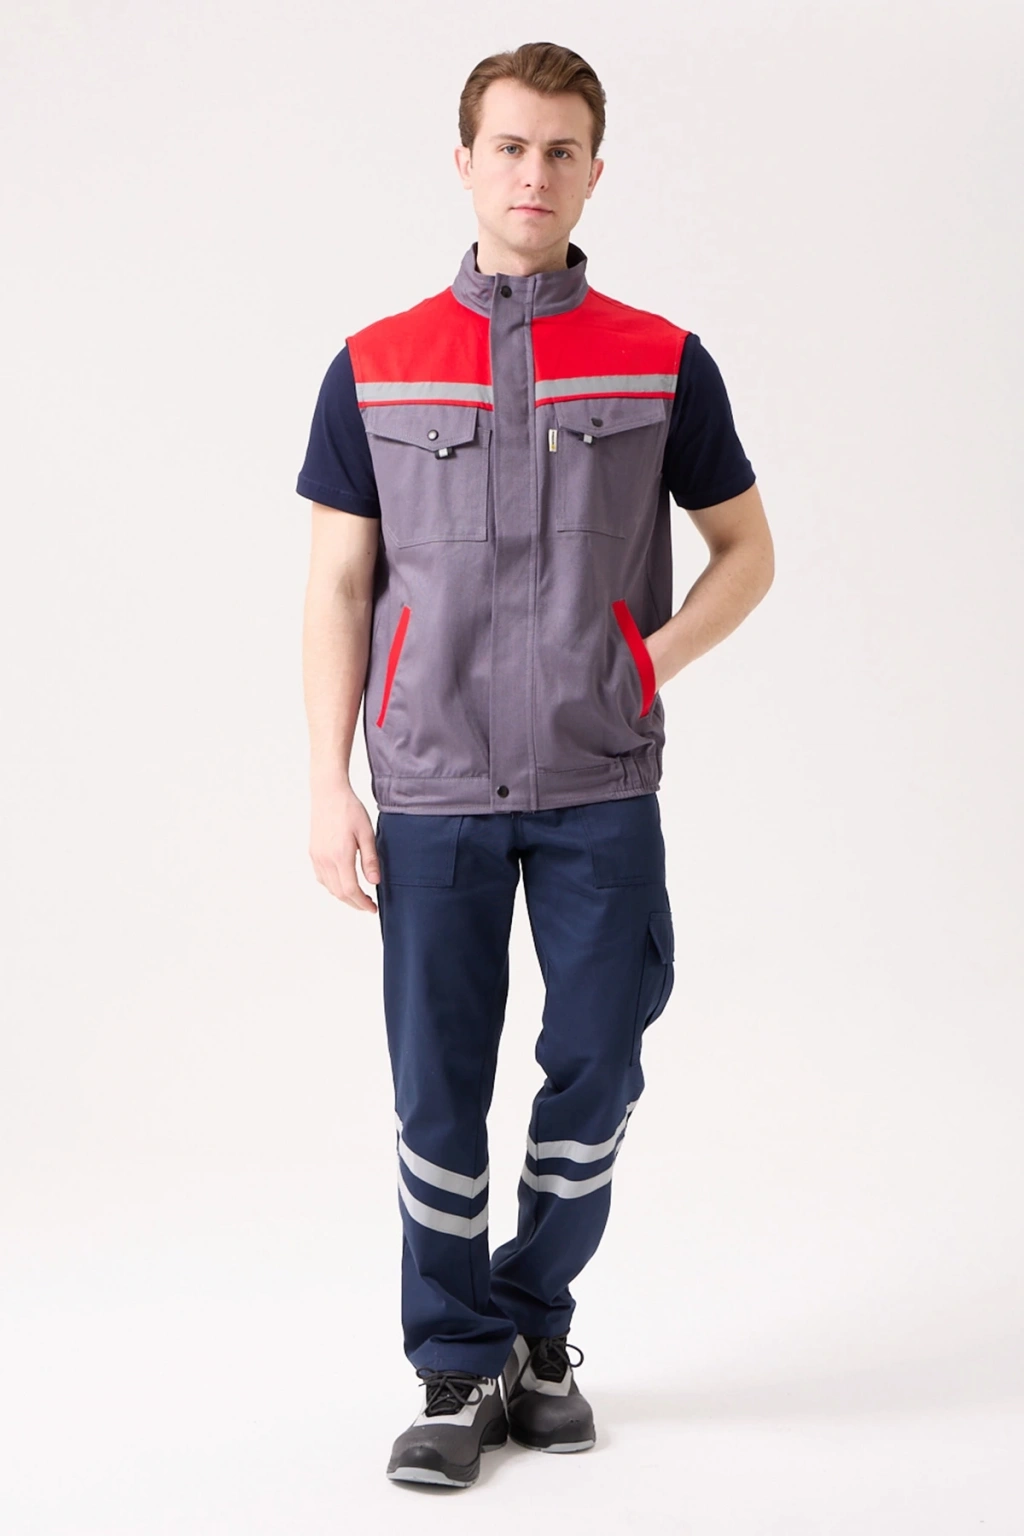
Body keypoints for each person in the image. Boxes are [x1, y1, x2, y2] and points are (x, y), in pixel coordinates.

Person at [296, 40, 774, 1489]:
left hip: (599, 781)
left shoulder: (660, 356)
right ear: (465, 163)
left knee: (600, 1061)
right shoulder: (376, 364)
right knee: (438, 1087)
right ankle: (455, 1369)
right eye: (509, 146)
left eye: (561, 150)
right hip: (431, 787)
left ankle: (534, 1327)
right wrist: (327, 781)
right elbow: (336, 587)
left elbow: (746, 551)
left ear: (594, 172)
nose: (533, 173)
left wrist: (643, 662)